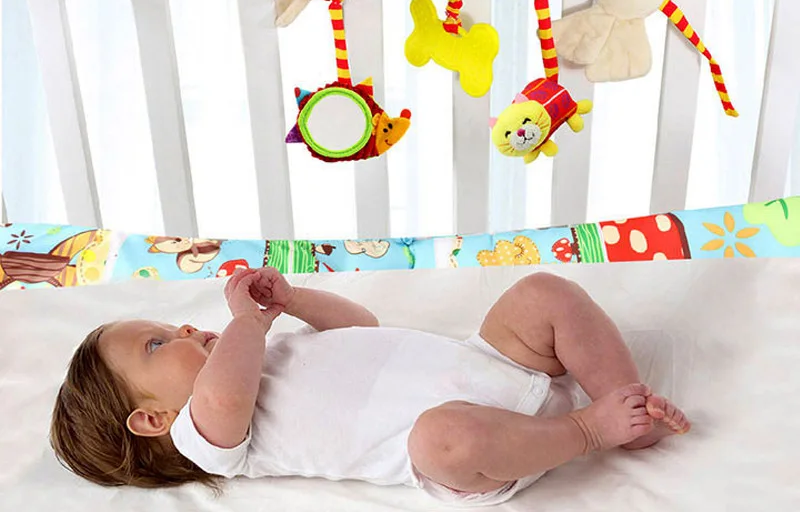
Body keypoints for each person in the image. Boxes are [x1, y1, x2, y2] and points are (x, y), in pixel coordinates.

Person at [50, 267, 690, 506]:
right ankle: (587, 429)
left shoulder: (269, 351)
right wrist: (246, 323)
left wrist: (294, 301)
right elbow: (222, 396)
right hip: (482, 446)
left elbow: (360, 327)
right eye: (158, 344)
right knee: (441, 439)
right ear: (153, 419)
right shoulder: (206, 436)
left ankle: (629, 401)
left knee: (541, 293)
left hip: (491, 362)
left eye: (170, 324)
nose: (186, 328)